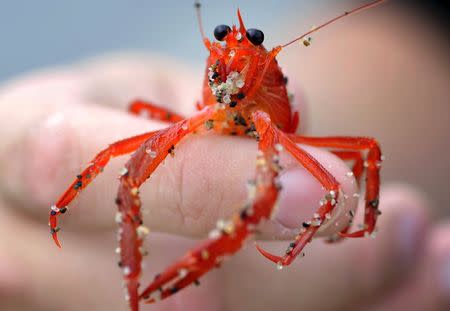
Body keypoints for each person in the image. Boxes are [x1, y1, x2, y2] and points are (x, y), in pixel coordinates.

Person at [0, 52, 448, 311]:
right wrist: (59, 171)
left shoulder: (268, 100)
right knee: (126, 165)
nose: (232, 56)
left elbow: (358, 159)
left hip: (272, 130)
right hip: (209, 119)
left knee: (344, 163)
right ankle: (134, 281)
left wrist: (334, 228)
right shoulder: (212, 87)